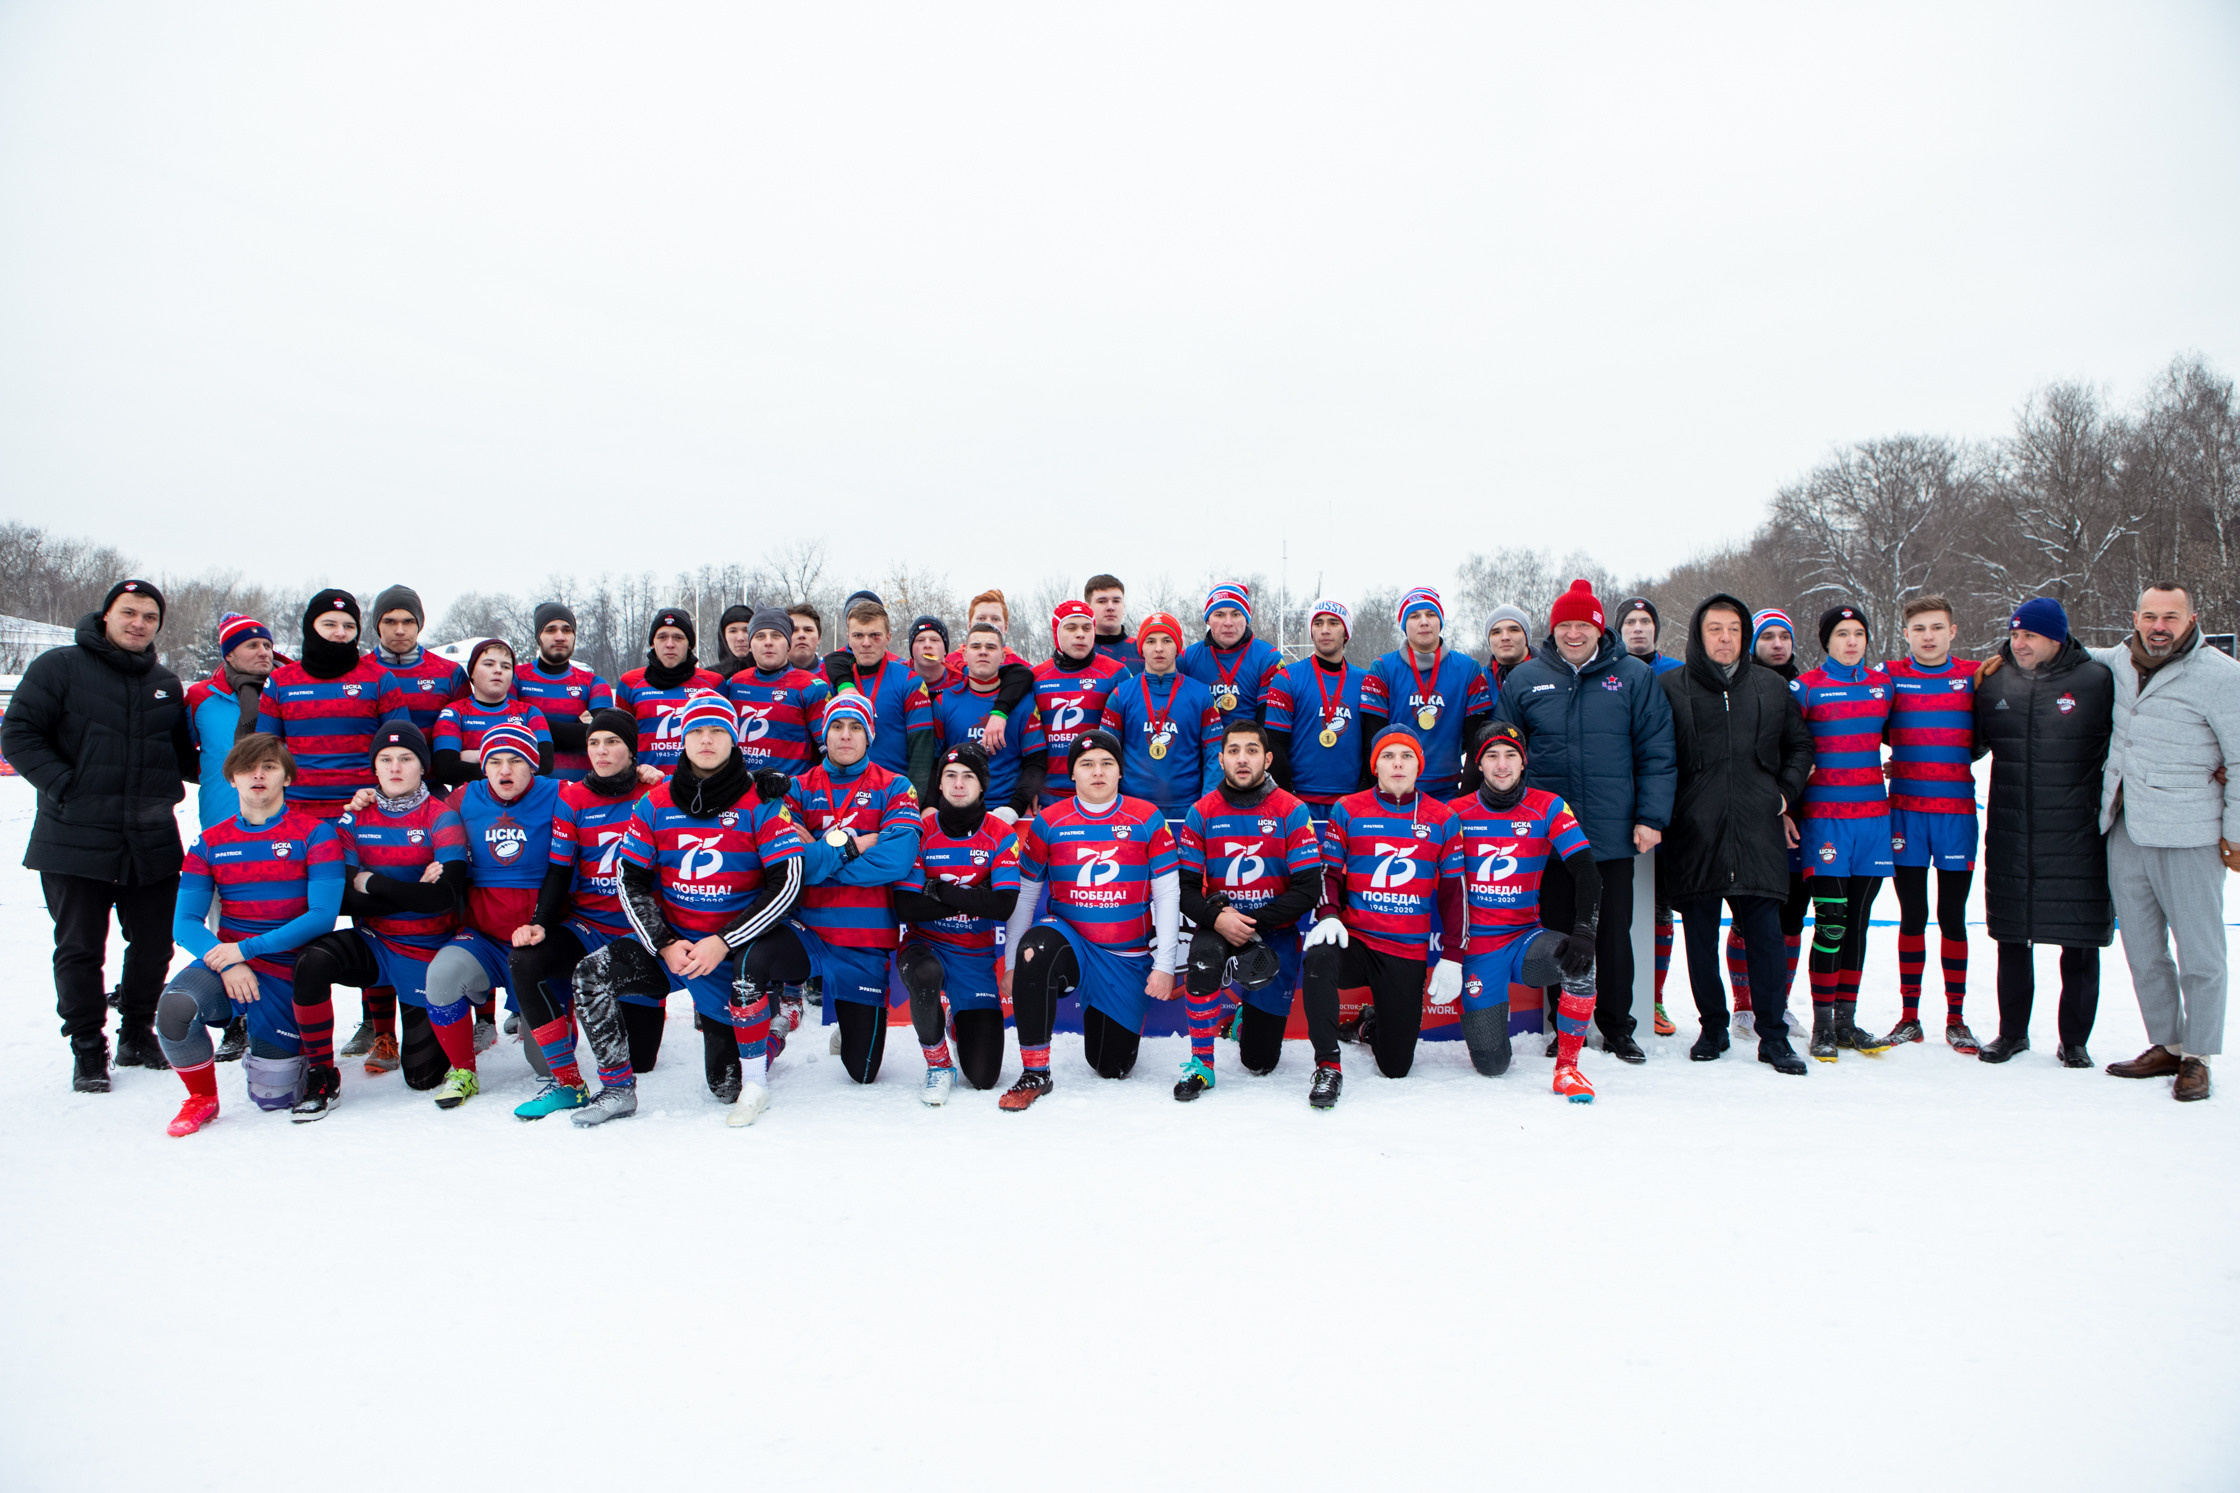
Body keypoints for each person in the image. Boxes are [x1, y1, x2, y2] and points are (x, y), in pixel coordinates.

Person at [569, 692, 817, 1127]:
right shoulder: (656, 801)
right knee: (591, 972)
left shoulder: (761, 801)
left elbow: (787, 883)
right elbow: (631, 879)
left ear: (734, 739)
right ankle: (616, 1089)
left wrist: (723, 942)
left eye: (717, 730)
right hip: (675, 943)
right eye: (696, 731)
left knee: (726, 1088)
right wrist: (662, 943)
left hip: (730, 950)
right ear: (682, 739)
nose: (706, 740)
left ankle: (770, 1029)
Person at [2, 578, 198, 1090]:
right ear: (106, 615)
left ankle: (137, 1030)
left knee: (155, 943)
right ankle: (88, 1045)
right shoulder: (59, 667)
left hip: (152, 836)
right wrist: (66, 785)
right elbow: (18, 734)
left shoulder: (165, 683)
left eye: (150, 617)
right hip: (74, 836)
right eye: (129, 613)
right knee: (81, 947)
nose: (139, 623)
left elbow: (183, 756)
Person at [1494, 579, 1675, 1062]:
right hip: (1547, 837)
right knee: (1557, 933)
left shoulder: (1633, 677)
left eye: (1583, 624)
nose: (1574, 633)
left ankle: (1617, 1026)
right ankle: (1563, 1026)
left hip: (1612, 832)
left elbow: (1657, 751)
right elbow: (1504, 753)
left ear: (1599, 627)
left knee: (1613, 934)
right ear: (1553, 630)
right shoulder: (1527, 678)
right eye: (1565, 625)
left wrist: (1650, 816)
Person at [1655, 595, 1814, 1076]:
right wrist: (1670, 811)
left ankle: (1774, 1035)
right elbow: (1657, 756)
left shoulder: (1770, 685)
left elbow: (1800, 745)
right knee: (1699, 938)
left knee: (1765, 936)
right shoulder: (1671, 688)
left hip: (1756, 830)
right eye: (1714, 629)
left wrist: (1783, 795)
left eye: (1733, 629)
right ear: (1698, 636)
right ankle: (1713, 1027)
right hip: (1696, 832)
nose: (1724, 638)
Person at [2093, 584, 2240, 1101]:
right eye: (2150, 616)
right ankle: (2168, 1044)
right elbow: (2058, 652)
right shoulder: (2116, 660)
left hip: (2191, 833)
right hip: (2128, 827)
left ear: (2191, 618)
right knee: (2143, 949)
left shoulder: (2221, 676)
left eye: (2170, 617)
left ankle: (2198, 1057)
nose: (2159, 626)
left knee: (2201, 952)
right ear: (2135, 617)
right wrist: (1998, 659)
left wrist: (2235, 835)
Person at [155, 735, 343, 1135]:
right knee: (173, 1010)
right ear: (232, 778)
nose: (258, 775)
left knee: (272, 1101)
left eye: (270, 767)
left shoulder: (316, 835)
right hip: (228, 963)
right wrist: (227, 962)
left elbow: (322, 917)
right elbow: (185, 923)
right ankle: (201, 1098)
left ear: (287, 777)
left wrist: (243, 950)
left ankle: (295, 1051)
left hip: (285, 967)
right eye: (247, 768)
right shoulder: (209, 842)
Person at [287, 721, 469, 1116]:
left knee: (422, 1078)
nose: (395, 767)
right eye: (385, 760)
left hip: (428, 951)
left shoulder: (441, 817)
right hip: (375, 942)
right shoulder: (354, 818)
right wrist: (408, 892)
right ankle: (321, 1071)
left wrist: (373, 882)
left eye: (406, 758)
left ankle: (454, 1018)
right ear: (375, 768)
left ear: (423, 766)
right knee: (312, 960)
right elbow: (344, 899)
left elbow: (443, 899)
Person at [999, 730, 1182, 1109]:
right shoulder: (1049, 821)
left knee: (1111, 1066)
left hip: (1125, 958)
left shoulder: (1147, 817)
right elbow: (1027, 894)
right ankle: (1036, 1072)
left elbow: (1166, 895)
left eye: (1106, 763)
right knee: (1036, 950)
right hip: (1071, 943)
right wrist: (1014, 961)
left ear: (1120, 772)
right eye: (1086, 765)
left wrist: (1165, 964)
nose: (1097, 771)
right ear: (1072, 775)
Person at [1969, 598, 2115, 1067]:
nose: (2019, 643)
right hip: (2013, 829)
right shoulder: (1993, 682)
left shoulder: (2096, 681)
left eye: (2029, 635)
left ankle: (2074, 1040)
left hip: (2076, 833)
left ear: (2056, 637)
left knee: (2079, 940)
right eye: (2014, 635)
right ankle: (2012, 1033)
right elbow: (1966, 741)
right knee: (2012, 937)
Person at [505, 708, 656, 1121]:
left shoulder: (655, 793)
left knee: (642, 1059)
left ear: (632, 750)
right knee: (525, 960)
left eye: (612, 742)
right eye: (593, 742)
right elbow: (559, 868)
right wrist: (539, 922)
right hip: (589, 924)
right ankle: (568, 1083)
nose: (601, 751)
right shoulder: (572, 797)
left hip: (640, 930)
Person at [1298, 729, 1465, 1102]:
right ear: (1376, 766)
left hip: (1405, 952)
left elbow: (1455, 895)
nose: (1398, 764)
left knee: (1395, 1067)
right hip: (1356, 941)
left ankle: (1367, 1026)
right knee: (1319, 959)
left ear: (1419, 765)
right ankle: (1328, 1066)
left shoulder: (1443, 818)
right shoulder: (1349, 809)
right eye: (1388, 756)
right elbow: (1329, 872)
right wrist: (1328, 915)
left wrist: (1453, 955)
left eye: (1406, 756)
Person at [1447, 723, 1606, 1098]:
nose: (1502, 765)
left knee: (1580, 961)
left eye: (1510, 756)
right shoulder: (1455, 812)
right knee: (1492, 1066)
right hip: (1477, 949)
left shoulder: (1548, 806)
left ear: (1523, 763)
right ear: (1479, 765)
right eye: (1492, 756)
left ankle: (1567, 1068)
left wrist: (1585, 930)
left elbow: (1585, 869)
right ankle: (1490, 1012)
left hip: (1525, 940)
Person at [771, 695, 924, 1083]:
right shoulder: (796, 787)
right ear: (825, 733)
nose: (845, 735)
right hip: (804, 929)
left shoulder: (895, 786)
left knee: (863, 1072)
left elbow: (897, 860)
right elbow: (788, 862)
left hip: (863, 938)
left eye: (855, 727)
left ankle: (852, 1019)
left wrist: (820, 855)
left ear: (869, 735)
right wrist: (854, 845)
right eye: (837, 726)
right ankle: (769, 1036)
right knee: (746, 961)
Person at [1172, 720, 1324, 1099]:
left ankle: (1243, 1017)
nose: (1243, 759)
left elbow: (1309, 889)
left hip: (1273, 931)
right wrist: (1220, 920)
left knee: (1259, 1062)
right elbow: (1186, 889)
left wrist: (1252, 922)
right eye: (1234, 751)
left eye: (1252, 751)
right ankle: (1201, 1065)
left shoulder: (1291, 810)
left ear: (1267, 758)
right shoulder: (1201, 812)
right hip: (1219, 926)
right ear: (1220, 758)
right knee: (1203, 954)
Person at [417, 720, 561, 1109]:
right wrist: (371, 797)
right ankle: (462, 1069)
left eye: (516, 761)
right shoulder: (464, 797)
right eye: (494, 761)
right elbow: (415, 815)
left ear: (533, 765)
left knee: (547, 1063)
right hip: (483, 934)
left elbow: (611, 795)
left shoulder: (559, 792)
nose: (504, 770)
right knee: (442, 974)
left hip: (538, 936)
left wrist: (645, 773)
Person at [1790, 604, 1898, 1060]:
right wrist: (1786, 808)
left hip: (1873, 820)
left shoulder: (1881, 687)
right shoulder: (1806, 689)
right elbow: (1788, 750)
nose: (1851, 641)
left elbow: (1911, 734)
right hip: (1827, 821)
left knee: (1857, 924)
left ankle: (1847, 1021)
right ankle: (1822, 1025)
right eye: (1841, 634)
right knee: (1831, 924)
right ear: (1826, 642)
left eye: (1858, 634)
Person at [890, 743, 1022, 1102]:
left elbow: (1003, 905)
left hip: (974, 958)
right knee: (925, 976)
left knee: (984, 1077)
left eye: (968, 777)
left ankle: (954, 1020)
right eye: (950, 776)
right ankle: (938, 1066)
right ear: (940, 783)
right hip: (924, 946)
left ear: (982, 786)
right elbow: (906, 906)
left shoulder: (1001, 834)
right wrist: (975, 897)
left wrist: (939, 891)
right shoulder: (919, 830)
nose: (959, 784)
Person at [1882, 595, 1982, 1051]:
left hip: (1956, 815)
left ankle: (1956, 1017)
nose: (1928, 636)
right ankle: (1909, 1016)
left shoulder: (1974, 677)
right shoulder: (1890, 677)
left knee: (1953, 918)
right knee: (1912, 916)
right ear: (1906, 634)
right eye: (1919, 628)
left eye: (1937, 627)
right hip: (1905, 813)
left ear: (1953, 631)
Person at [1722, 608, 1811, 1032]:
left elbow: (1804, 749)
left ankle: (1779, 1001)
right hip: (1752, 819)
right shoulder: (1739, 685)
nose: (1777, 644)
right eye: (1767, 637)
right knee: (1747, 914)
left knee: (1792, 917)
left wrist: (1789, 802)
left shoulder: (1805, 687)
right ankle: (1744, 1003)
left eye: (1784, 637)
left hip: (1803, 816)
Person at [255, 590, 405, 819]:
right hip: (297, 809)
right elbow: (265, 749)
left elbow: (401, 746)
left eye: (349, 626)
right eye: (329, 624)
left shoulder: (380, 679)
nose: (340, 633)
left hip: (366, 808)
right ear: (310, 626)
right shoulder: (280, 681)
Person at [1618, 597, 1686, 1036]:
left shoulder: (1677, 673)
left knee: (1661, 908)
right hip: (1618, 807)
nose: (1638, 629)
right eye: (1630, 622)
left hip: (1667, 807)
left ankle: (1655, 997)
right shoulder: (1607, 670)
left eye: (1645, 622)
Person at [1264, 599, 1389, 823]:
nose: (1325, 630)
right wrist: (1287, 795)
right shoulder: (1287, 678)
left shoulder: (1366, 681)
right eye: (1318, 623)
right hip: (1300, 802)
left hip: (1350, 802)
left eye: (1334, 623)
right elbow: (1276, 744)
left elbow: (1372, 743)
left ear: (1346, 633)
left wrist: (1363, 793)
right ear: (1311, 632)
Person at [1369, 586, 1492, 801]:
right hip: (1396, 788)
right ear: (1404, 625)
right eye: (1414, 616)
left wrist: (1466, 793)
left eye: (1431, 614)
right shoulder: (1383, 668)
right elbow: (1373, 737)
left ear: (1440, 621)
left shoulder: (1468, 668)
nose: (1424, 621)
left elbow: (1476, 739)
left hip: (1450, 790)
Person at [1100, 610, 1221, 824]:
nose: (1158, 648)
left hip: (1188, 810)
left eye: (1167, 640)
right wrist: (1109, 803)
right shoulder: (1121, 694)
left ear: (1177, 648)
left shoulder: (1201, 695)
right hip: (1132, 809)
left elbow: (1214, 754)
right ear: (1141, 648)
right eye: (1150, 640)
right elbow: (1106, 753)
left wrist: (1207, 805)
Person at [929, 622, 1047, 813]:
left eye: (991, 647)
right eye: (976, 647)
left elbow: (1036, 761)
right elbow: (933, 762)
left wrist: (1014, 808)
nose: (983, 652)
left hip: (1006, 811)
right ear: (965, 655)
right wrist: (930, 804)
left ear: (1002, 656)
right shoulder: (944, 702)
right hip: (956, 811)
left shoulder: (1024, 702)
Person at [1028, 599, 1132, 808]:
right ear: (1056, 633)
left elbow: (1129, 736)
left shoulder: (1116, 672)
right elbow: (1027, 740)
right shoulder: (1036, 676)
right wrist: (1029, 787)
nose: (1080, 634)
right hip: (1049, 794)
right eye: (1071, 627)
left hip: (1102, 790)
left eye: (1087, 627)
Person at [819, 596, 935, 782]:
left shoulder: (910, 682)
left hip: (892, 794)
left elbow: (922, 754)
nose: (866, 643)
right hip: (842, 792)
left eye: (875, 635)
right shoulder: (833, 682)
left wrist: (912, 802)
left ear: (888, 638)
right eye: (858, 636)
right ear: (848, 638)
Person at [183, 611, 277, 828]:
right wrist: (214, 773)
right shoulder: (201, 697)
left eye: (267, 646)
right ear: (229, 655)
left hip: (283, 819)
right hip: (222, 817)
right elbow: (178, 752)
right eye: (252, 646)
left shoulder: (288, 692)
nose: (264, 653)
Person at [614, 607, 726, 778]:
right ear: (652, 642)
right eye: (662, 637)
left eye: (678, 637)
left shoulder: (713, 683)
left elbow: (725, 739)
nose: (670, 644)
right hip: (647, 786)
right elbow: (620, 739)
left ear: (690, 644)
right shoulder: (630, 682)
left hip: (699, 787)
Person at [515, 601, 618, 782]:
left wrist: (533, 723)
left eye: (567, 630)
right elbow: (510, 729)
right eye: (550, 630)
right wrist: (578, 727)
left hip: (581, 792)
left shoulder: (593, 683)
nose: (560, 636)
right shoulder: (516, 678)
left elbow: (601, 735)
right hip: (528, 790)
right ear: (538, 636)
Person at [430, 638, 554, 785]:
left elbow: (545, 764)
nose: (498, 670)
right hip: (470, 803)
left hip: (522, 803)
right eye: (489, 664)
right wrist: (518, 756)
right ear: (472, 673)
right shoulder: (454, 713)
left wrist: (478, 755)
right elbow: (446, 770)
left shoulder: (529, 713)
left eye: (506, 666)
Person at [724, 607, 831, 776]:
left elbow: (829, 752)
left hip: (791, 795)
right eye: (760, 636)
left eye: (776, 635)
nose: (768, 642)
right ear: (750, 645)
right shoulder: (734, 684)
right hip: (741, 794)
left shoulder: (812, 687)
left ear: (788, 643)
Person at [367, 584, 466, 738]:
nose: (400, 630)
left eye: (408, 622)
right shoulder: (358, 672)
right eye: (390, 622)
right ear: (377, 625)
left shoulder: (450, 672)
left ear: (419, 625)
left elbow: (466, 727)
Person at [1181, 583, 1283, 730]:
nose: (1228, 623)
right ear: (1208, 620)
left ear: (1246, 619)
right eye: (1219, 615)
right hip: (1203, 749)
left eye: (1236, 614)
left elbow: (1270, 724)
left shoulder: (1268, 658)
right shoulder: (1188, 658)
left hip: (1249, 749)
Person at [1086, 573, 1140, 672]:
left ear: (1123, 606)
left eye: (1116, 601)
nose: (1110, 607)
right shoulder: (1076, 653)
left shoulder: (1143, 651)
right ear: (1088, 607)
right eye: (1102, 601)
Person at [1481, 605, 1532, 694]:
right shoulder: (1478, 682)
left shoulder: (1551, 674)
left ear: (1526, 636)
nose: (1505, 637)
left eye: (1513, 630)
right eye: (1496, 632)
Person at [711, 603, 759, 681]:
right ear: (723, 636)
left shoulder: (768, 676)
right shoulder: (710, 677)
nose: (740, 638)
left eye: (746, 630)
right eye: (733, 631)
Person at [907, 614, 950, 689]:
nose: (927, 645)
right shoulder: (899, 677)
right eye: (920, 640)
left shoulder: (962, 679)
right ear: (911, 649)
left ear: (945, 650)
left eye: (934, 640)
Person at [786, 604, 824, 672]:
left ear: (819, 637)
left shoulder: (834, 675)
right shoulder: (767, 677)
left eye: (808, 630)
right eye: (794, 630)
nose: (801, 635)